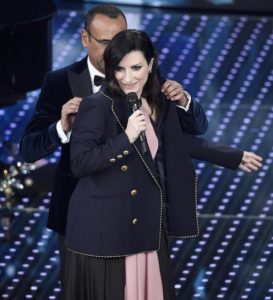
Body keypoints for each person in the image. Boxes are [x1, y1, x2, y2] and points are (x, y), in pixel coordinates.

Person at [63, 29, 262, 300]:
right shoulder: (97, 105)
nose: (128, 77)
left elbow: (179, 142)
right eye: (119, 69)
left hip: (146, 220)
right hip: (107, 228)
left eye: (136, 67)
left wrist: (232, 157)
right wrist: (127, 138)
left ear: (151, 64)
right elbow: (80, 163)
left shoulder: (158, 101)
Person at [19, 3, 209, 286]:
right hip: (79, 218)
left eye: (120, 40)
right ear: (85, 39)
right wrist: (62, 128)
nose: (114, 51)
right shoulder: (59, 82)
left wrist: (184, 102)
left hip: (140, 215)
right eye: (106, 42)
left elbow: (195, 130)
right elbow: (29, 149)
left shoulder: (144, 76)